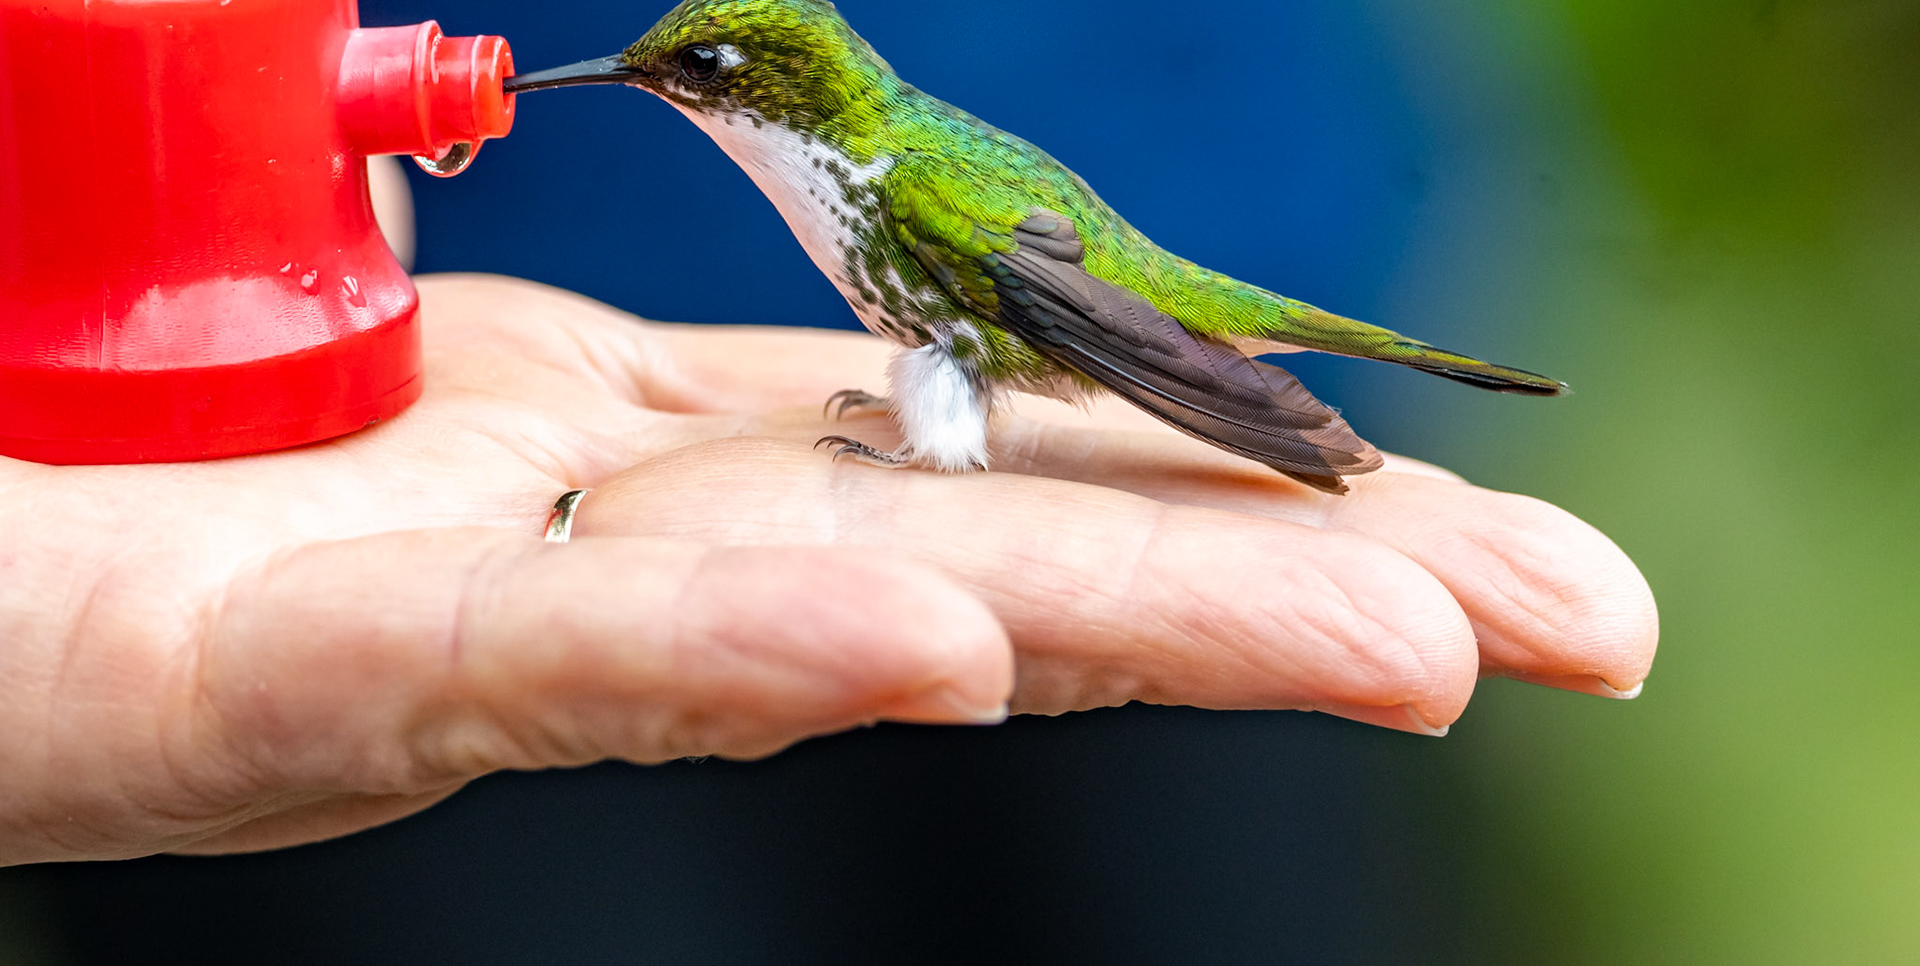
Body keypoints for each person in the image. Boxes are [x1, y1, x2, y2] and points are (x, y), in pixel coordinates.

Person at [0, 166, 1657, 867]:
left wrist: (1221, 404)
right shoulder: (844, 172)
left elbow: (1039, 313)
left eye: (696, 80)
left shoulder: (885, 179)